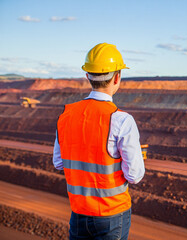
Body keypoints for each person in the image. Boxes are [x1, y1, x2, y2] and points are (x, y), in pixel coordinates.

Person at [53, 43, 145, 240]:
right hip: (112, 215)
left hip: (79, 213)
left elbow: (59, 162)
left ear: (88, 76)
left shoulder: (66, 115)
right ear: (117, 77)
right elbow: (135, 175)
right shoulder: (121, 120)